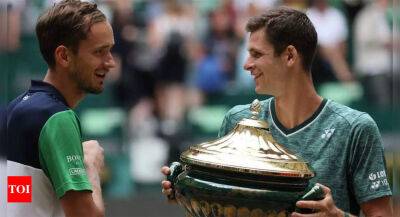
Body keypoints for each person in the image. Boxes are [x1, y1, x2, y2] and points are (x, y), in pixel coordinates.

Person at [161, 7, 393, 217]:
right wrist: (187, 191)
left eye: (257, 54)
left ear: (290, 56)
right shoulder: (236, 120)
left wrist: (336, 216)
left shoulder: (355, 128)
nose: (246, 64)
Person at [6, 0, 115, 216]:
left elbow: (19, 200)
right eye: (99, 52)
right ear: (64, 56)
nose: (110, 62)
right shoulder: (57, 118)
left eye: (110, 50)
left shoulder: (16, 109)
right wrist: (90, 167)